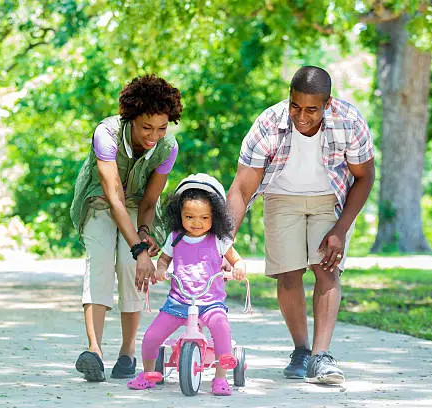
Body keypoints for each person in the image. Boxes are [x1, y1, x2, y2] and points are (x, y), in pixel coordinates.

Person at [227, 66, 375, 384]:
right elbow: (241, 187)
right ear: (289, 98)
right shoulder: (268, 124)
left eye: (311, 109)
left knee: (327, 269)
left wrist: (341, 229)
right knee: (289, 273)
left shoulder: (349, 121)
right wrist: (223, 241)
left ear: (327, 104)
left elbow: (364, 177)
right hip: (281, 197)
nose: (301, 116)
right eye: (295, 106)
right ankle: (302, 351)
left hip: (327, 198)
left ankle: (322, 356)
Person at [69, 74, 182, 382]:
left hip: (135, 205)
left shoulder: (168, 147)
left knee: (134, 268)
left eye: (161, 128)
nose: (154, 136)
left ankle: (128, 352)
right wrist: (139, 250)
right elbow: (114, 198)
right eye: (146, 127)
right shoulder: (106, 133)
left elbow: (147, 203)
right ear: (130, 118)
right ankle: (94, 351)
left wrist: (144, 237)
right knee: (102, 261)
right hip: (101, 201)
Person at [126, 174, 246, 396]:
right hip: (179, 301)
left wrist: (239, 267)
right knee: (151, 336)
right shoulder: (176, 237)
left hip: (210, 302)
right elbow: (163, 260)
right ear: (178, 214)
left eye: (204, 217)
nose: (196, 223)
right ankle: (149, 374)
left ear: (215, 217)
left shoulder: (218, 239)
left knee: (222, 328)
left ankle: (221, 377)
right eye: (189, 216)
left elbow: (236, 259)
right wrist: (161, 269)